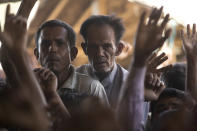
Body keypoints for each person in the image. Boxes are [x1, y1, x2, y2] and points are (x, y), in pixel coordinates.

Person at [34, 20, 109, 112]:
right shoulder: (29, 87)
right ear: (37, 54)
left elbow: (101, 126)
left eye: (60, 43)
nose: (52, 49)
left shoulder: (90, 88)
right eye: (45, 44)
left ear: (73, 54)